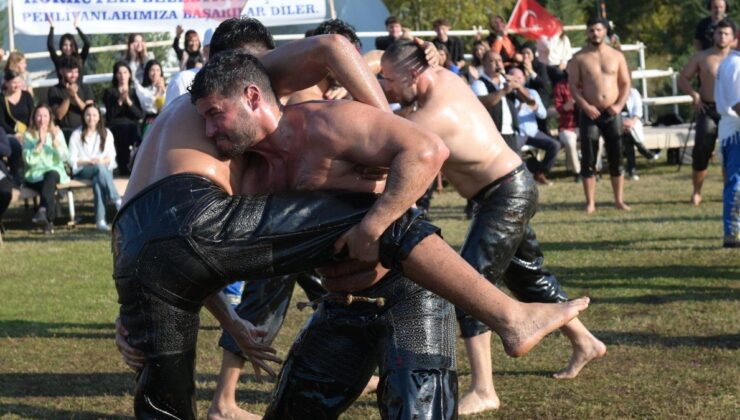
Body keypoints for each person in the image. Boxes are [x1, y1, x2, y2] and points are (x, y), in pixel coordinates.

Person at [114, 20, 589, 420]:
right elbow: (191, 252)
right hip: (342, 306)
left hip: (408, 296)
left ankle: (511, 318)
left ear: (255, 88)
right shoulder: (243, 165)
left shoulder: (326, 120)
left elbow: (423, 149)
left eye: (218, 111)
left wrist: (376, 219)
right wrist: (142, 310)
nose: (209, 129)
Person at [380, 41, 604, 417]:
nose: (384, 87)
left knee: (471, 286)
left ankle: (484, 390)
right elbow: (398, 75)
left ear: (412, 74)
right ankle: (586, 342)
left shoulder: (433, 115)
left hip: (505, 195)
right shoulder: (443, 78)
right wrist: (419, 53)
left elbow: (386, 132)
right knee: (529, 276)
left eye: (387, 80)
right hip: (508, 189)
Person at [568, 17, 632, 214]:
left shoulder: (617, 56)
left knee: (616, 156)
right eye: (591, 30)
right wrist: (585, 106)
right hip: (590, 113)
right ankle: (590, 203)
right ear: (587, 32)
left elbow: (625, 83)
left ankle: (619, 200)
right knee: (589, 157)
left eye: (598, 30)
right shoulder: (579, 57)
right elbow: (573, 86)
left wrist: (619, 105)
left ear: (605, 31)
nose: (595, 33)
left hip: (612, 111)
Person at [679, 19, 737, 205]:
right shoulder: (702, 57)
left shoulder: (735, 60)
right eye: (719, 33)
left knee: (732, 151)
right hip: (709, 109)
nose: (722, 37)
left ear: (733, 37)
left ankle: (730, 189)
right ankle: (697, 191)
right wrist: (694, 95)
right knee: (702, 150)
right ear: (713, 35)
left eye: (726, 33)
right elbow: (683, 79)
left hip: (732, 112)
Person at [68, 104, 121, 231]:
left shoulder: (106, 133)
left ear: (99, 117)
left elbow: (111, 157)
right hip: (83, 170)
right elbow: (72, 159)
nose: (91, 118)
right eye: (88, 115)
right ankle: (117, 200)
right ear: (83, 116)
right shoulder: (76, 134)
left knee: (98, 181)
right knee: (99, 168)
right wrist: (88, 162)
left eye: (94, 115)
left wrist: (101, 161)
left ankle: (100, 221)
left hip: (103, 170)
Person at [509, 67, 561, 185]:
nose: (517, 81)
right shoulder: (507, 95)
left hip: (533, 131)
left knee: (555, 145)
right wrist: (517, 108)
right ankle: (518, 179)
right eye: (514, 78)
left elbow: (543, 115)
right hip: (517, 132)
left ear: (524, 79)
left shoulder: (532, 93)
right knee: (512, 151)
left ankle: (540, 173)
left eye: (519, 78)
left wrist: (535, 107)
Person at [22, 105, 69, 234]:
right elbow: (28, 160)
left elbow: (65, 157)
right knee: (48, 187)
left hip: (54, 174)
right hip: (35, 176)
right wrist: (40, 143)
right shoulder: (28, 136)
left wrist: (55, 141)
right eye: (39, 115)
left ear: (50, 118)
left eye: (45, 116)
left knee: (51, 175)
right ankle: (48, 222)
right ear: (34, 118)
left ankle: (42, 211)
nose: (42, 119)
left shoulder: (57, 133)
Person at [715, 33, 740, 247]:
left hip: (732, 128)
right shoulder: (736, 64)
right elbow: (738, 104)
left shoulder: (731, 62)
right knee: (737, 182)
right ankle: (733, 233)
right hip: (736, 129)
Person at [472, 51, 525, 152]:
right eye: (492, 61)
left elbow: (530, 101)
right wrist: (503, 91)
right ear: (484, 64)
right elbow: (484, 102)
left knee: (516, 166)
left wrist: (518, 86)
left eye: (499, 60)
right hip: (492, 135)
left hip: (511, 133)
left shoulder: (507, 80)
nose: (497, 64)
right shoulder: (479, 83)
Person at [103, 62, 144, 174]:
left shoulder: (134, 92)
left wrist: (129, 102)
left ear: (129, 74)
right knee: (122, 132)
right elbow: (110, 115)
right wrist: (120, 101)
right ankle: (123, 168)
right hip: (117, 125)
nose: (122, 76)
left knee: (134, 131)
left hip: (132, 125)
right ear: (116, 75)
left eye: (125, 72)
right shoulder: (109, 92)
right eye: (119, 73)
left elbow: (139, 114)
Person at [47, 56, 95, 142]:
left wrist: (75, 96)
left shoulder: (85, 87)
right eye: (70, 71)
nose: (74, 75)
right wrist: (68, 97)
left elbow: (90, 111)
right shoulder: (54, 90)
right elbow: (59, 115)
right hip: (65, 131)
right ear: (61, 71)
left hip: (83, 129)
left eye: (76, 72)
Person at [164, 29, 213, 108]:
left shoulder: (200, 55)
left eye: (196, 40)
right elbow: (175, 46)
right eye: (191, 41)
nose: (194, 43)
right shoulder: (184, 54)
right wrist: (178, 35)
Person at [622, 87, 659, 181]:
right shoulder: (613, 91)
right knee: (629, 135)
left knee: (628, 136)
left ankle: (632, 171)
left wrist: (631, 122)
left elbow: (638, 110)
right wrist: (622, 123)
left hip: (631, 123)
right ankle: (645, 153)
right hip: (617, 123)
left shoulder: (633, 92)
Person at [552, 76, 582, 181]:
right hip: (567, 126)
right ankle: (577, 173)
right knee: (570, 142)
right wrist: (570, 103)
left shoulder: (585, 84)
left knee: (599, 140)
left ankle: (595, 169)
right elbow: (559, 108)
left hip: (584, 125)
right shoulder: (560, 86)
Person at [46, 15, 90, 82]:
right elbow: (50, 46)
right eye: (65, 45)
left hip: (79, 89)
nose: (68, 48)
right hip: (63, 91)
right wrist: (52, 27)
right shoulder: (58, 60)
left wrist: (77, 27)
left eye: (71, 45)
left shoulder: (80, 58)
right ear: (61, 46)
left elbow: (87, 43)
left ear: (74, 46)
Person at [134, 60, 167, 136]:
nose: (155, 73)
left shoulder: (167, 88)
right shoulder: (143, 90)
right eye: (152, 70)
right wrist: (158, 91)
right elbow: (148, 106)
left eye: (158, 70)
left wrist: (163, 89)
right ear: (147, 72)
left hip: (166, 119)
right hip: (150, 121)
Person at [0, 70, 34, 138]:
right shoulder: (1, 99)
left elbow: (33, 114)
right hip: (10, 135)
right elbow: (1, 121)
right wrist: (14, 133)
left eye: (19, 82)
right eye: (14, 82)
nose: (17, 85)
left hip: (28, 133)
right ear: (6, 83)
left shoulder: (26, 95)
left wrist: (30, 130)